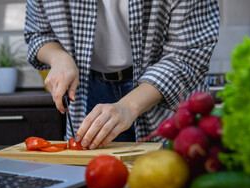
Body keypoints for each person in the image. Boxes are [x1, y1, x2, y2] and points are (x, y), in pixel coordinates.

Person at [24, 0, 220, 149]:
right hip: (88, 90)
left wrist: (128, 106)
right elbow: (38, 34)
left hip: (163, 100)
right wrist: (59, 58)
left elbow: (189, 54)